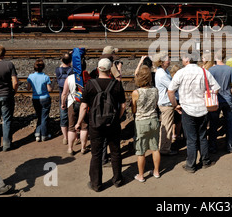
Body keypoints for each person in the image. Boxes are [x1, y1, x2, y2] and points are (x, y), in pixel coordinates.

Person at [77, 58, 126, 192]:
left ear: (98, 69)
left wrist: (79, 122)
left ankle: (96, 184)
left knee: (96, 154)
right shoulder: (116, 84)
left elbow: (83, 106)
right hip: (113, 124)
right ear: (110, 70)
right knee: (115, 152)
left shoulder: (90, 84)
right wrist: (118, 118)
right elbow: (123, 105)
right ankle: (117, 180)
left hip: (95, 124)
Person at [167, 52, 220, 173]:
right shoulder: (204, 72)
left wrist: (176, 106)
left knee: (191, 139)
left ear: (187, 60)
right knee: (202, 136)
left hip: (187, 110)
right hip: (203, 109)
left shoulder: (181, 72)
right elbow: (215, 89)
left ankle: (191, 165)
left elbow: (170, 91)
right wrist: (207, 99)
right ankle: (205, 161)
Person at [132, 65, 161, 182]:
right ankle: (157, 171)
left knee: (141, 151)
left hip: (141, 122)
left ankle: (141, 175)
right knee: (155, 148)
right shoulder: (155, 90)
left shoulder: (136, 92)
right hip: (154, 119)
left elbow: (134, 109)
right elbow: (155, 105)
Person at [61, 49, 90, 155]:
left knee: (71, 127)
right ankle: (83, 148)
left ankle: (70, 148)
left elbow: (64, 93)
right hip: (84, 105)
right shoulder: (88, 78)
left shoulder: (69, 78)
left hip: (72, 104)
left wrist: (63, 103)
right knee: (84, 126)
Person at [208, 49, 232, 153]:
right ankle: (229, 146)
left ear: (216, 57)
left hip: (215, 100)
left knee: (214, 123)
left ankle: (213, 146)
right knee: (229, 123)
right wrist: (229, 93)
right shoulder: (230, 69)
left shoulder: (211, 70)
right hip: (227, 99)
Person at [153, 51, 177, 156]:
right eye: (168, 59)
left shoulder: (163, 71)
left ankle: (163, 146)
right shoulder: (162, 74)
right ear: (162, 62)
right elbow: (172, 86)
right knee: (167, 126)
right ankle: (164, 149)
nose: (169, 60)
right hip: (166, 103)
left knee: (165, 125)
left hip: (164, 102)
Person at [27, 59, 52, 142]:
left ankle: (37, 133)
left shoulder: (30, 76)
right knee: (44, 117)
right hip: (45, 98)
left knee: (39, 116)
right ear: (43, 67)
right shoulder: (46, 77)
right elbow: (50, 89)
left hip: (35, 98)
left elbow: (28, 88)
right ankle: (44, 135)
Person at [55, 52, 73, 145]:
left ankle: (65, 138)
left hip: (62, 95)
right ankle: (74, 135)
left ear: (62, 60)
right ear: (70, 61)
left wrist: (64, 58)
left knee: (63, 117)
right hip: (71, 96)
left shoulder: (58, 70)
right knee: (72, 116)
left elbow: (61, 65)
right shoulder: (72, 70)